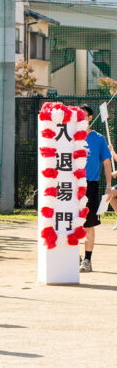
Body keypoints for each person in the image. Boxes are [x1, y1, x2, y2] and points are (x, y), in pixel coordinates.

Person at [80, 104, 111, 273]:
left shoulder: (98, 139)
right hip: (71, 187)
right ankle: (72, 256)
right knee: (69, 224)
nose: (81, 118)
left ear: (90, 117)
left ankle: (87, 260)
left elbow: (106, 163)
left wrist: (108, 185)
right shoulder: (70, 137)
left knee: (88, 224)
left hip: (90, 186)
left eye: (84, 115)